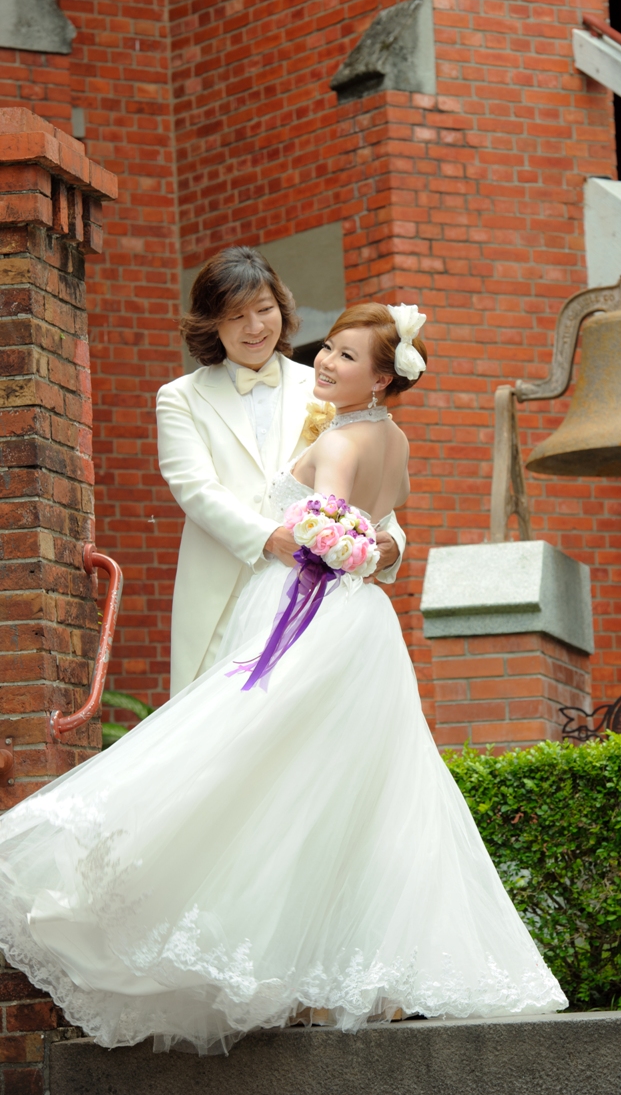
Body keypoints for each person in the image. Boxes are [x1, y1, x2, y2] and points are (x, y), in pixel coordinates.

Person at [0, 303, 567, 1056]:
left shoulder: (338, 436)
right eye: (328, 349)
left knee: (254, 764)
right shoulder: (392, 437)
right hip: (365, 623)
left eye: (346, 356)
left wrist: (341, 545)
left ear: (381, 378)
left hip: (309, 612)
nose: (324, 361)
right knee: (348, 789)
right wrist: (365, 551)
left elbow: (333, 529)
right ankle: (336, 974)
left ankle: (226, 938)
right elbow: (372, 523)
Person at [156, 247, 404, 696]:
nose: (255, 327)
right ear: (212, 322)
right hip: (219, 593)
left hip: (311, 599)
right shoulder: (180, 398)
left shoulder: (327, 383)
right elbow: (195, 489)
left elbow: (366, 474)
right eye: (236, 316)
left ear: (282, 308)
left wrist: (392, 543)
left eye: (265, 309)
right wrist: (270, 538)